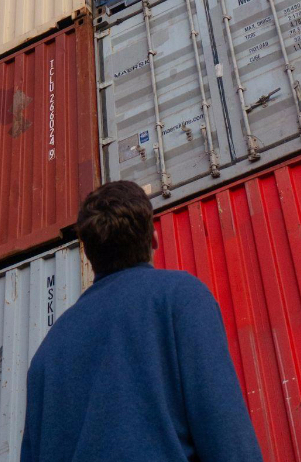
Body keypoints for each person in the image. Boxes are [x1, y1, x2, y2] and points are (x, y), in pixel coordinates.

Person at [20, 181, 263, 462]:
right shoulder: (181, 298)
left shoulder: (46, 355)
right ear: (154, 240)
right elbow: (228, 439)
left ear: (88, 255)